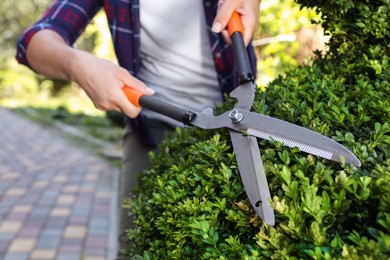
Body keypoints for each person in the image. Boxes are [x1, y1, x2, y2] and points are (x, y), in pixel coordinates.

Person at [16, 0, 260, 258]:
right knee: (135, 247)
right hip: (150, 126)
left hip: (235, 117)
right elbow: (33, 42)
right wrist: (76, 65)